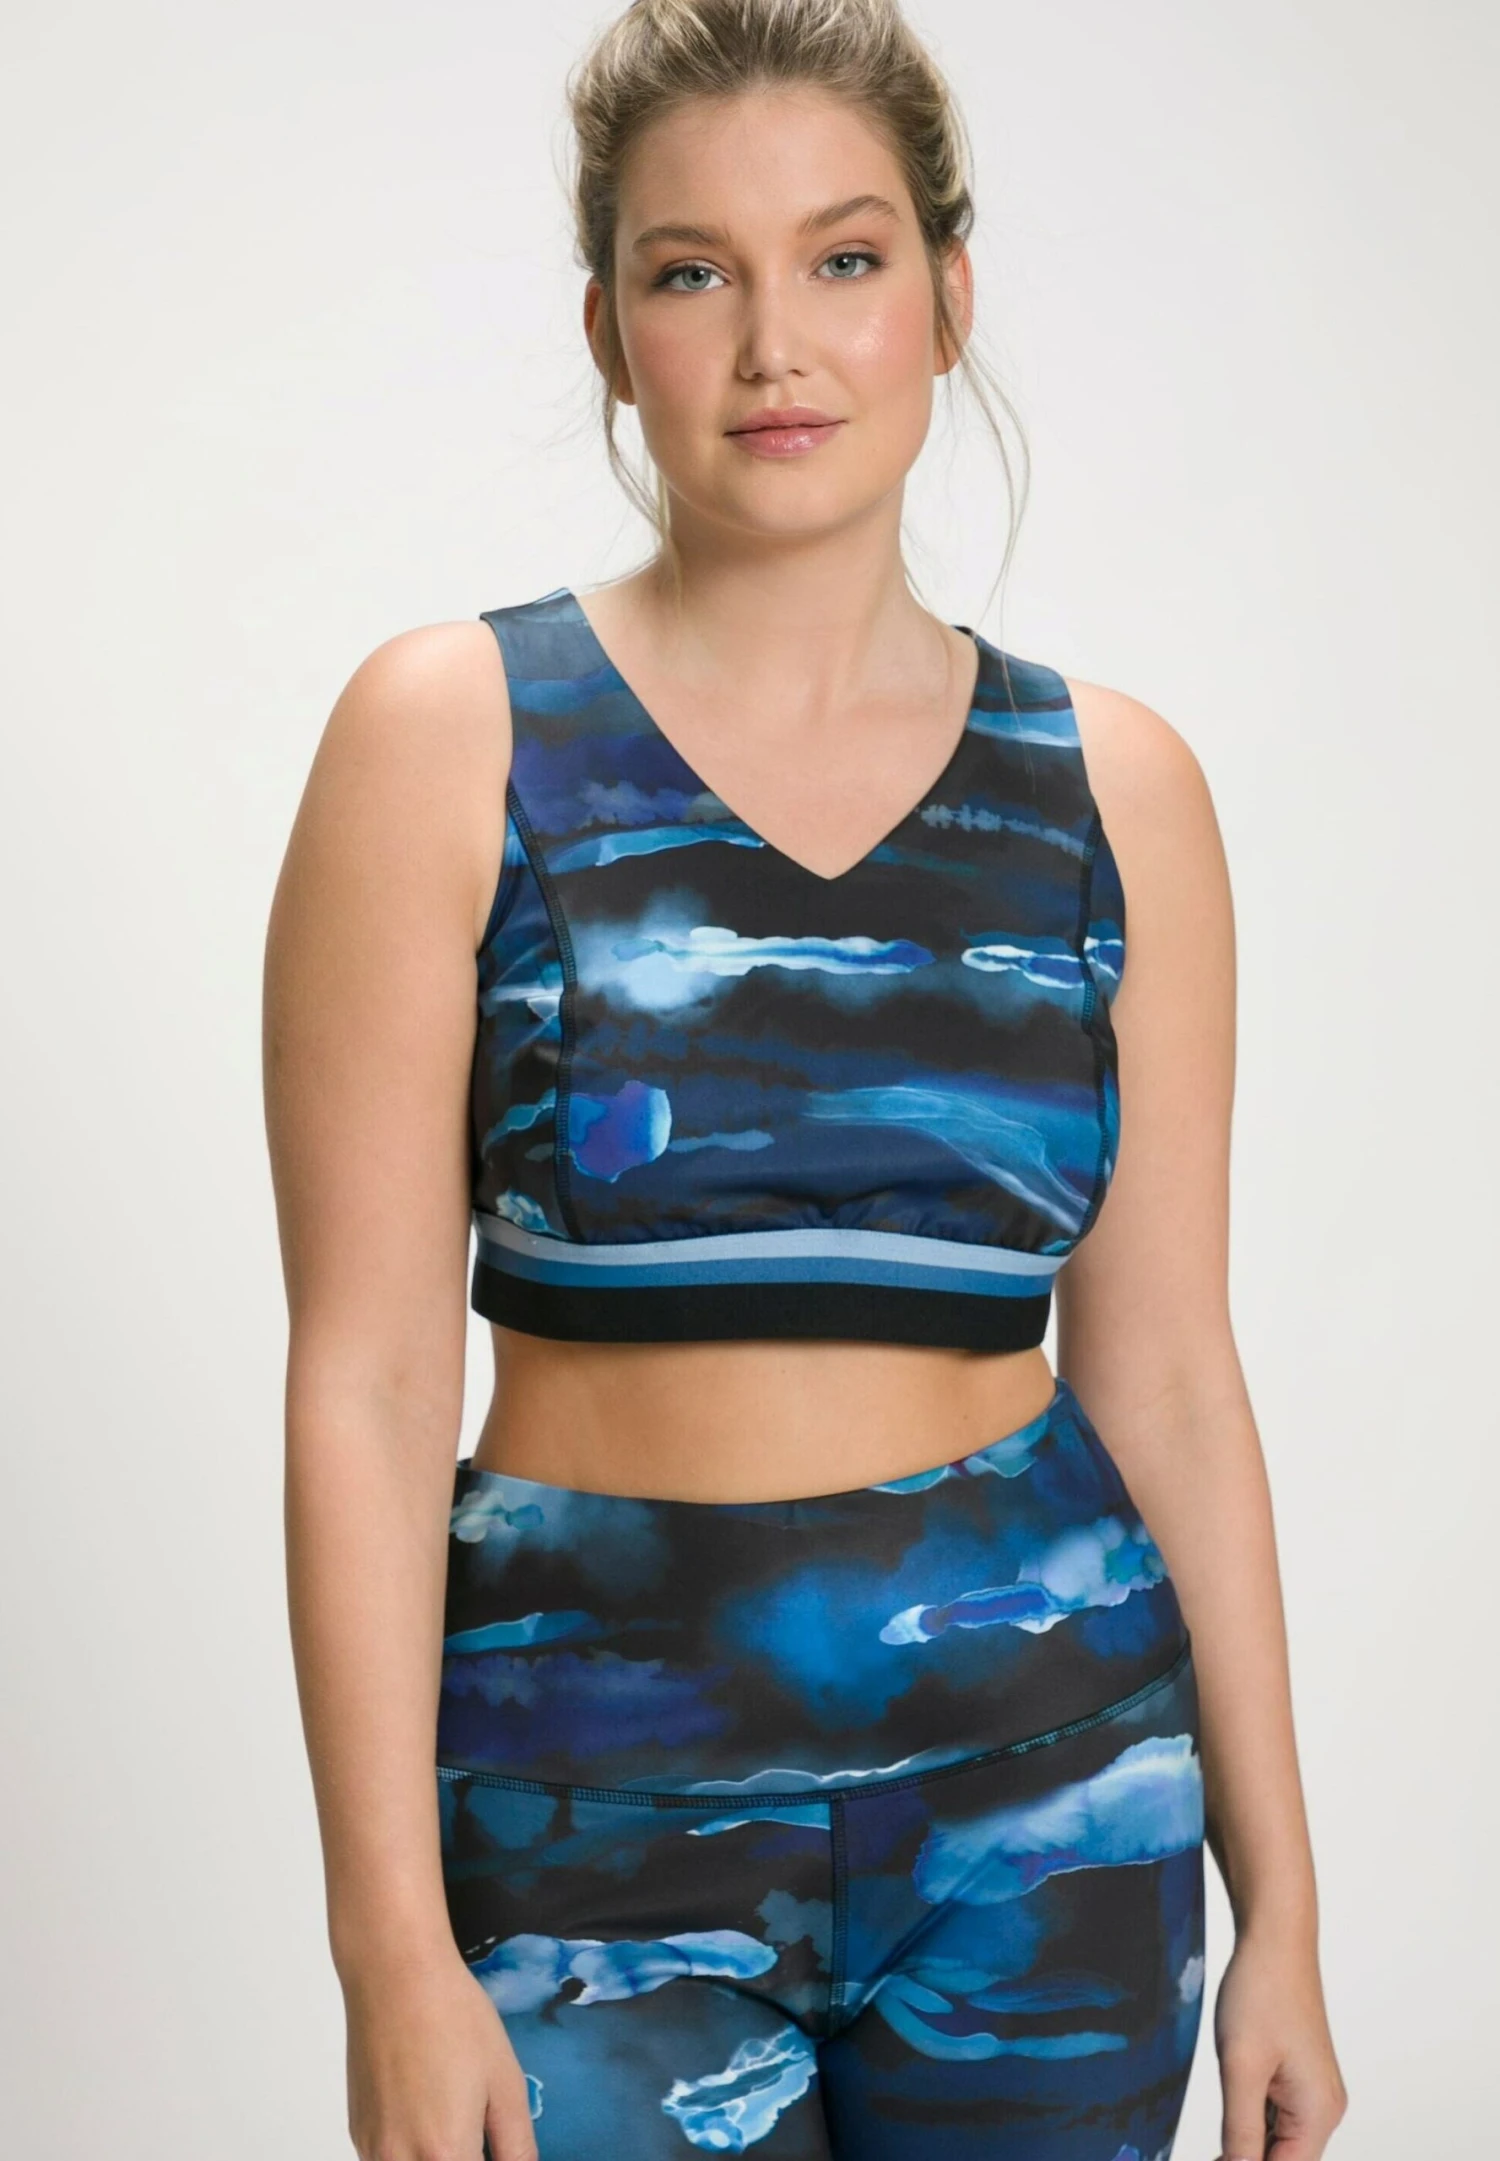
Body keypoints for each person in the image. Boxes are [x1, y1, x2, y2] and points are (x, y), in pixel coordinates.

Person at [261, 3, 1348, 2156]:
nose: (775, 344)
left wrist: (1286, 1912)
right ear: (610, 330)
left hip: (1059, 1809)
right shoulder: (448, 738)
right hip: (586, 1818)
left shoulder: (1116, 791)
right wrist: (388, 1948)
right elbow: (366, 1383)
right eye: (694, 271)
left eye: (844, 258)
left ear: (948, 296)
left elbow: (1171, 1381)